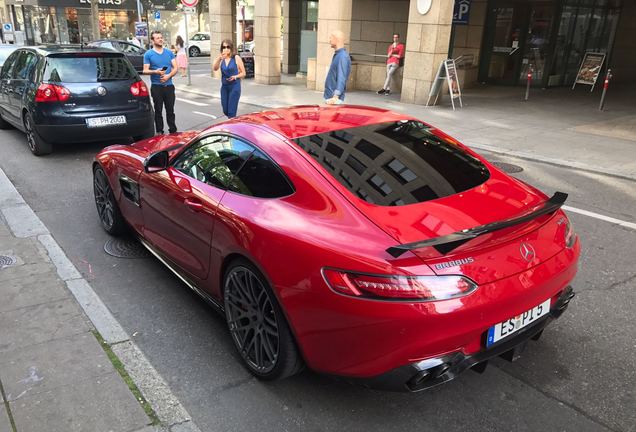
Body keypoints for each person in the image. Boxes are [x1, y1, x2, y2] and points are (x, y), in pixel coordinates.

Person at [143, 31, 178, 135]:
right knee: (158, 110)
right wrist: (156, 71)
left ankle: (173, 131)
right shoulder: (148, 54)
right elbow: (145, 70)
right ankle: (159, 131)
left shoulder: (169, 53)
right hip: (156, 87)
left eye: (161, 37)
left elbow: (176, 68)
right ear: (152, 40)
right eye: (157, 38)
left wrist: (168, 76)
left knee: (170, 110)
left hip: (169, 86)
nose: (160, 39)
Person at [213, 39, 246, 118]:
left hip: (234, 87)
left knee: (231, 112)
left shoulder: (236, 58)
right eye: (224, 47)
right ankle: (233, 122)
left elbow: (243, 73)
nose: (226, 49)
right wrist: (219, 58)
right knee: (225, 110)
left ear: (231, 48)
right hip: (224, 87)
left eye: (228, 47)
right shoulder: (221, 59)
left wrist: (235, 76)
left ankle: (232, 127)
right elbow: (215, 68)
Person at [324, 30, 351, 105]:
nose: (329, 40)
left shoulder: (342, 56)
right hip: (331, 97)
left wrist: (336, 96)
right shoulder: (339, 55)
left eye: (331, 38)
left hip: (334, 99)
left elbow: (341, 77)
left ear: (337, 39)